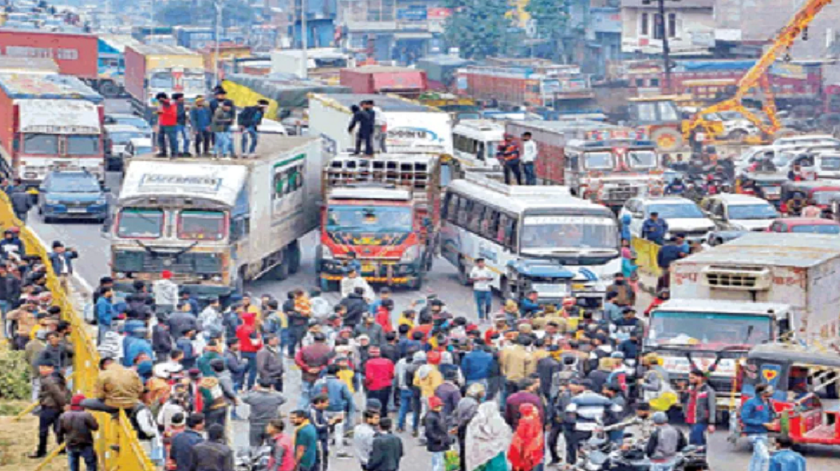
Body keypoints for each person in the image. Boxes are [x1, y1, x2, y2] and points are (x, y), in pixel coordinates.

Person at [31, 359, 69, 458]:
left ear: (51, 368)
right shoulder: (59, 377)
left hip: (49, 407)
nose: (41, 370)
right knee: (58, 429)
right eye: (40, 368)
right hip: (57, 407)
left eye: (44, 368)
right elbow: (65, 392)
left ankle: (41, 451)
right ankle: (62, 449)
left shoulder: (49, 380)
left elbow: (56, 393)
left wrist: (64, 404)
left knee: (43, 430)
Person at [465, 401, 512, 471]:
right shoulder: (498, 421)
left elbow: (470, 440)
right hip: (497, 453)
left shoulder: (475, 423)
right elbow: (505, 435)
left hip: (479, 455)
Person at [741, 384, 778, 471]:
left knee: (756, 458)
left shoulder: (768, 403)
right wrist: (762, 424)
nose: (769, 395)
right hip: (753, 433)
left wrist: (774, 420)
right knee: (765, 457)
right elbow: (745, 418)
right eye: (767, 393)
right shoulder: (750, 403)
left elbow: (771, 415)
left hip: (763, 433)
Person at [61, 394, 99, 471]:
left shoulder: (64, 415)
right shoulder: (86, 415)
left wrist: (61, 441)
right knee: (91, 464)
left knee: (73, 465)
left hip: (71, 444)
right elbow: (95, 427)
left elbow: (59, 431)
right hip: (85, 444)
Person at [295, 332, 332, 408]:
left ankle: (301, 411)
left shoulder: (305, 349)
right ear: (324, 340)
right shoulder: (328, 349)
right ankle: (315, 411)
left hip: (307, 375)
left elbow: (297, 359)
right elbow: (330, 362)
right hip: (320, 376)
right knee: (319, 395)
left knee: (305, 395)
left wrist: (307, 367)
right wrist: (320, 368)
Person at [684, 369, 716, 446]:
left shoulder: (708, 390)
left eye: (692, 378)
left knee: (694, 439)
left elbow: (712, 407)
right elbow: (685, 401)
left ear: (700, 378)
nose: (690, 380)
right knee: (699, 439)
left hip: (701, 419)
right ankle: (701, 455)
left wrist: (711, 423)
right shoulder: (691, 389)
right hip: (690, 418)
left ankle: (697, 454)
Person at [507, 403, 543, 471]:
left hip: (524, 449)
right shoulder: (535, 419)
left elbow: (524, 437)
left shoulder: (525, 421)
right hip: (533, 449)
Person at [365, 345, 395, 417]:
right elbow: (392, 374)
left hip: (374, 386)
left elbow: (369, 377)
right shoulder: (388, 361)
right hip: (386, 386)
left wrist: (366, 384)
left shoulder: (369, 362)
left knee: (373, 407)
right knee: (384, 405)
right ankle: (383, 420)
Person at [425, 396, 451, 471]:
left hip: (439, 443)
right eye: (438, 406)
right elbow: (429, 432)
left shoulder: (437, 414)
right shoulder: (431, 417)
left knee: (437, 461)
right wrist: (439, 439)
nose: (440, 407)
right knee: (439, 463)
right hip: (438, 444)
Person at [155, 92, 179, 158]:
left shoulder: (170, 103)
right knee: (160, 138)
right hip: (162, 123)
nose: (158, 101)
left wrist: (163, 112)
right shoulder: (161, 104)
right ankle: (163, 152)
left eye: (159, 99)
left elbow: (173, 113)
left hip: (170, 124)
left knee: (172, 139)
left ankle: (174, 153)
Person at [172, 93, 191, 157]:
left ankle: (186, 151)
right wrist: (184, 111)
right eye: (181, 97)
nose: (183, 98)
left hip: (184, 124)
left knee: (187, 138)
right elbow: (176, 115)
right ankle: (177, 151)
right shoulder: (174, 106)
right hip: (177, 124)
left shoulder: (183, 105)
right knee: (178, 138)